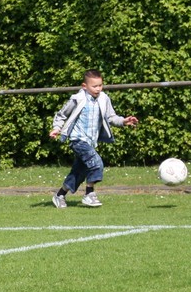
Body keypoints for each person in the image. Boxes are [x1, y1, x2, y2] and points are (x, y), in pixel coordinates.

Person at [49, 69, 138, 208]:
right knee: (96, 163)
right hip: (77, 140)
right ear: (84, 86)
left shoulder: (104, 99)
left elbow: (111, 117)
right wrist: (56, 128)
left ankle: (60, 195)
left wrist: (123, 121)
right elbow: (62, 115)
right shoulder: (77, 99)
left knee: (79, 171)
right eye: (94, 86)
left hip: (90, 142)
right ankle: (89, 194)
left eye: (100, 85)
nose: (98, 89)